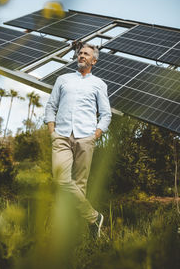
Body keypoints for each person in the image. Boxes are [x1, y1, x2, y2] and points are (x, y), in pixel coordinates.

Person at [44, 43, 112, 238]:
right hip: (62, 136)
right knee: (61, 179)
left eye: (86, 54)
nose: (81, 55)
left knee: (80, 185)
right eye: (80, 53)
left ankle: (72, 234)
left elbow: (106, 114)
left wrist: (96, 134)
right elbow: (51, 106)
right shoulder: (63, 79)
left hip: (86, 137)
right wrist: (52, 131)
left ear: (94, 61)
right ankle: (94, 217)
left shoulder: (99, 84)